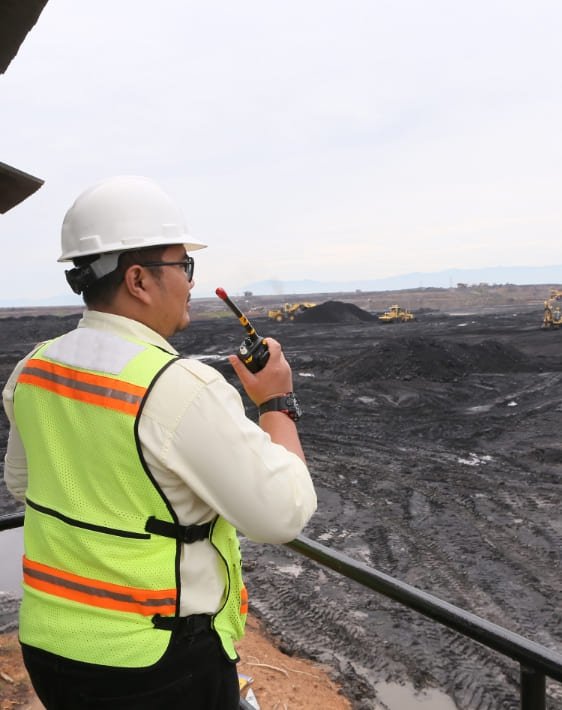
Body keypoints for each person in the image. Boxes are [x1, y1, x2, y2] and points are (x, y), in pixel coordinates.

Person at [2, 175, 317, 709]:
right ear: (139, 280)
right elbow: (282, 514)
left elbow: (22, 483)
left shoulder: (34, 368)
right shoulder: (177, 388)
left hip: (51, 649)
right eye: (184, 265)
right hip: (157, 667)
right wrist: (275, 405)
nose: (191, 283)